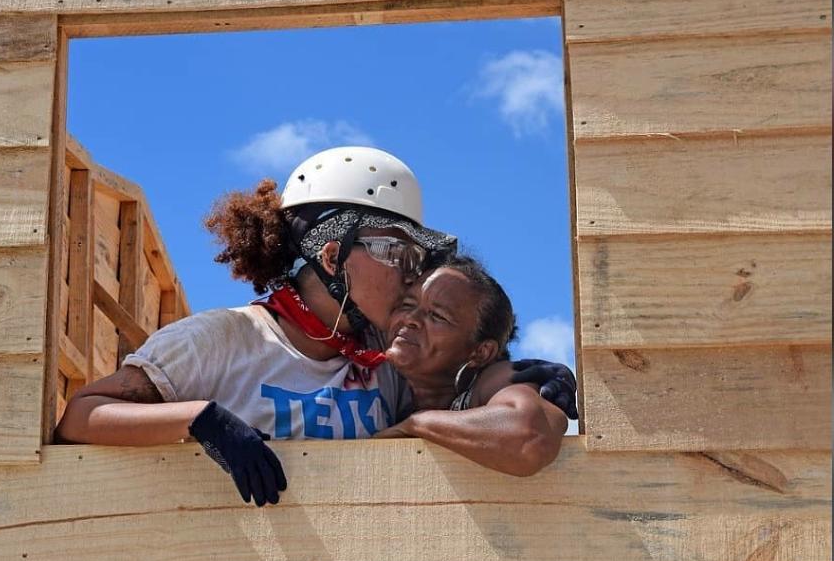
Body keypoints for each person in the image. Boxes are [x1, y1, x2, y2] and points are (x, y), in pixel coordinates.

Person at [55, 146, 576, 506]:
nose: (411, 272)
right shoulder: (221, 339)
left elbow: (509, 426)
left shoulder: (385, 357)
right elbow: (80, 417)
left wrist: (514, 377)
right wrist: (200, 419)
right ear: (332, 256)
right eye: (396, 250)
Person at [376, 254, 572, 477]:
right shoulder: (366, 360)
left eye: (438, 316)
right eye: (407, 304)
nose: (411, 318)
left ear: (481, 352)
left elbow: (530, 440)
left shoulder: (495, 378)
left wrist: (415, 424)